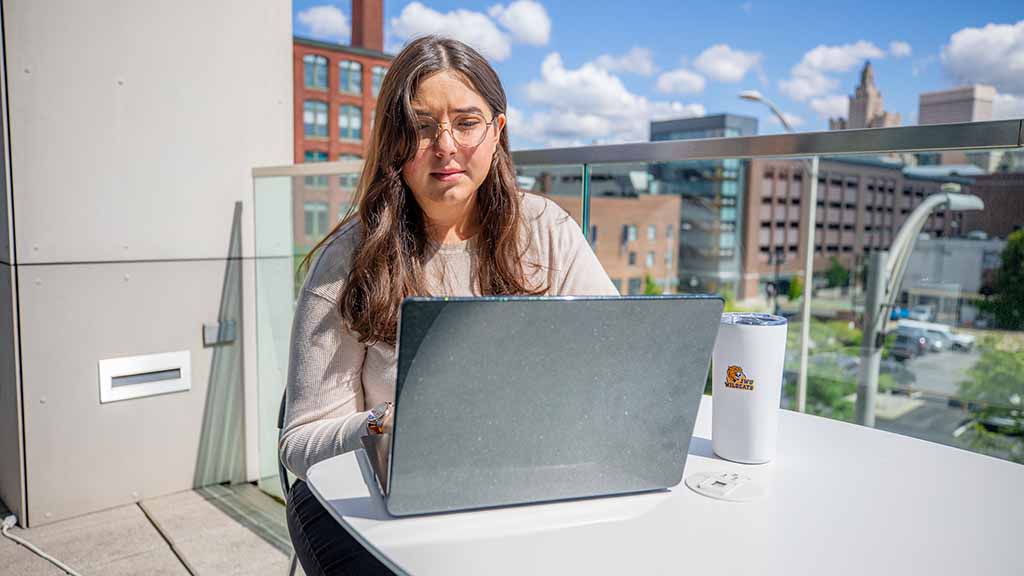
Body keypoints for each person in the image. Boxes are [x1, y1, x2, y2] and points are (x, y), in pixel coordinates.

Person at [281, 35, 618, 575]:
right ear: (394, 141)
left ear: (497, 131)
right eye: (420, 127)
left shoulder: (548, 231)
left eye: (466, 122)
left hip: (522, 487)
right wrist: (386, 424)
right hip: (379, 506)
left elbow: (617, 361)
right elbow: (299, 442)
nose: (445, 146)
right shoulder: (348, 262)